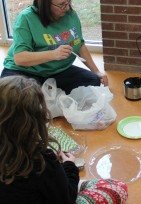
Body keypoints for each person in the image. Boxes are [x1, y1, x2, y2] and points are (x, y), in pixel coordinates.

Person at [0, 76, 128, 203]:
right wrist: (70, 166)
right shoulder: (41, 161)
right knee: (117, 188)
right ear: (36, 120)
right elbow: (67, 198)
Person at [0, 0, 108, 94]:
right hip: (25, 72)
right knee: (11, 95)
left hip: (57, 71)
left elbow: (79, 45)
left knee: (93, 81)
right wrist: (53, 54)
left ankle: (44, 95)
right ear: (45, 4)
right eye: (61, 4)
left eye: (68, 2)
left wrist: (97, 71)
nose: (67, 8)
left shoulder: (71, 15)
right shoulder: (26, 18)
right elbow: (19, 58)